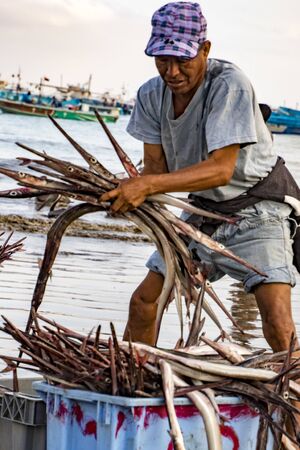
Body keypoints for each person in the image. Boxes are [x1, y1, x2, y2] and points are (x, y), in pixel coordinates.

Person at [101, 2, 299, 358]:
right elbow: (154, 172)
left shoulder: (229, 85)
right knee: (144, 303)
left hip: (257, 210)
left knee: (277, 321)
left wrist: (146, 187)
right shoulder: (150, 95)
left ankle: (294, 409)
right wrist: (126, 190)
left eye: (182, 60)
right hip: (202, 211)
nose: (172, 72)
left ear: (205, 49)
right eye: (162, 60)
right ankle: (135, 390)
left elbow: (221, 169)